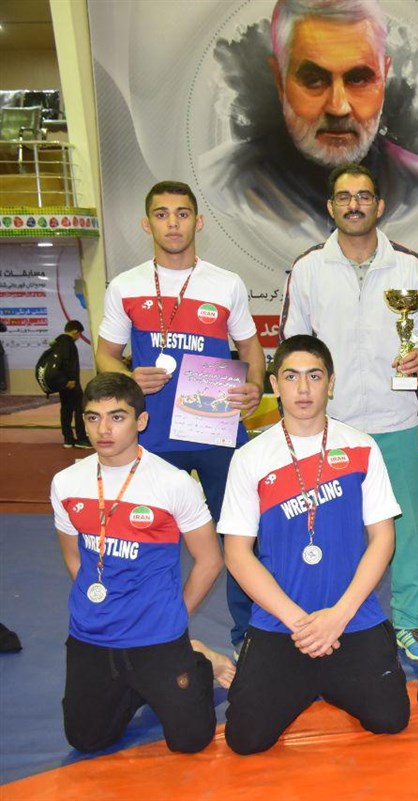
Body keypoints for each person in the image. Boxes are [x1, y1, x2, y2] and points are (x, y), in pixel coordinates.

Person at [281, 162, 418, 663]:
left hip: (395, 420)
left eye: (364, 196)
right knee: (334, 528)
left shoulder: (408, 265)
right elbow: (293, 345)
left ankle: (408, 622)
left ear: (380, 205)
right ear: (330, 207)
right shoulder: (308, 268)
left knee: (406, 529)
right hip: (333, 426)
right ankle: (339, 620)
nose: (355, 205)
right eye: (345, 197)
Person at [218, 335, 409, 755]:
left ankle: (326, 680)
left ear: (331, 383)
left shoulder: (361, 447)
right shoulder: (251, 458)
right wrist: (301, 624)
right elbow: (236, 552)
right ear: (274, 384)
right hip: (282, 621)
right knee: (245, 739)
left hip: (351, 617)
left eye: (314, 376)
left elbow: (383, 538)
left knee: (390, 718)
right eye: (291, 377)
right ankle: (305, 679)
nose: (303, 389)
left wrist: (338, 616)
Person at [95, 180, 265, 650]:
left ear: (198, 222)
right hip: (152, 434)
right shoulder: (125, 285)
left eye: (182, 213)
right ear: (146, 223)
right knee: (150, 539)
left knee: (241, 535)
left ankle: (249, 636)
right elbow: (105, 355)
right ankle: (153, 634)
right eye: (162, 214)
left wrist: (254, 384)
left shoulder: (226, 283)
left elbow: (250, 347)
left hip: (218, 430)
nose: (173, 223)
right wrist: (128, 377)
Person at [49, 373, 234, 754]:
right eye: (93, 417)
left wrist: (175, 614)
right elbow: (73, 555)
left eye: (117, 417)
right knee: (86, 739)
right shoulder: (66, 483)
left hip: (157, 636)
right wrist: (97, 604)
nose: (103, 429)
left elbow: (210, 559)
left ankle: (199, 661)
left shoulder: (172, 483)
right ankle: (135, 687)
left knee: (191, 741)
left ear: (141, 421)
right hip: (92, 634)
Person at [200, 0, 418, 235]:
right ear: (280, 82)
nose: (338, 107)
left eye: (358, 79)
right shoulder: (221, 190)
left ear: (384, 77)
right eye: (314, 80)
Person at [52, 320, 89, 449]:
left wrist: (64, 381)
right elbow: (68, 363)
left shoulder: (57, 343)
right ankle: (81, 439)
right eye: (79, 334)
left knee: (66, 410)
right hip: (71, 383)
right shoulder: (68, 343)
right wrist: (72, 379)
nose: (78, 337)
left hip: (62, 383)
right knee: (80, 409)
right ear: (75, 331)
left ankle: (68, 439)